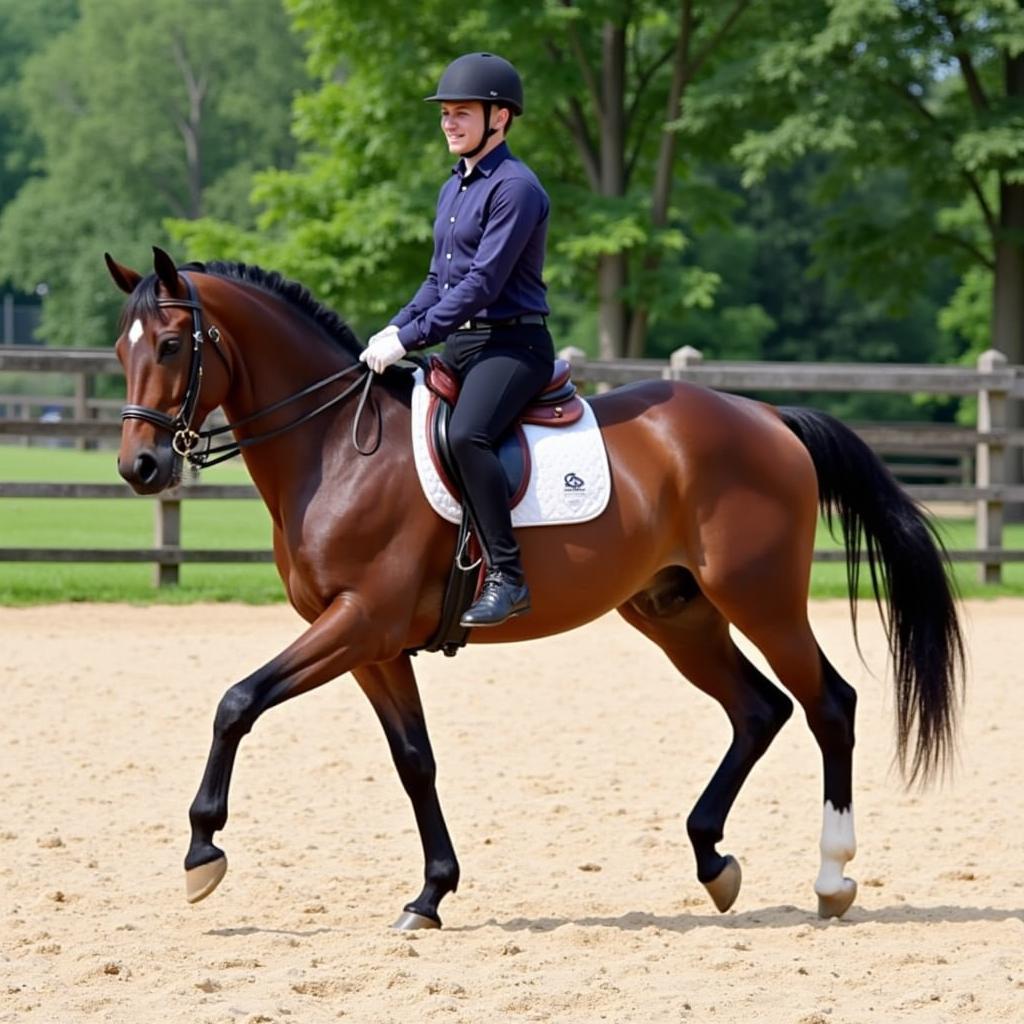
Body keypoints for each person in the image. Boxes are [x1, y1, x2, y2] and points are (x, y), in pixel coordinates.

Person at [360, 52, 554, 628]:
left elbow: (480, 284)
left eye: (462, 113)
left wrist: (414, 335)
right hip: (462, 346)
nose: (449, 123)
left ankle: (508, 578)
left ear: (500, 119)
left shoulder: (516, 189)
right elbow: (436, 280)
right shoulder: (454, 187)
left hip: (511, 347)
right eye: (445, 113)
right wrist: (395, 328)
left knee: (469, 435)